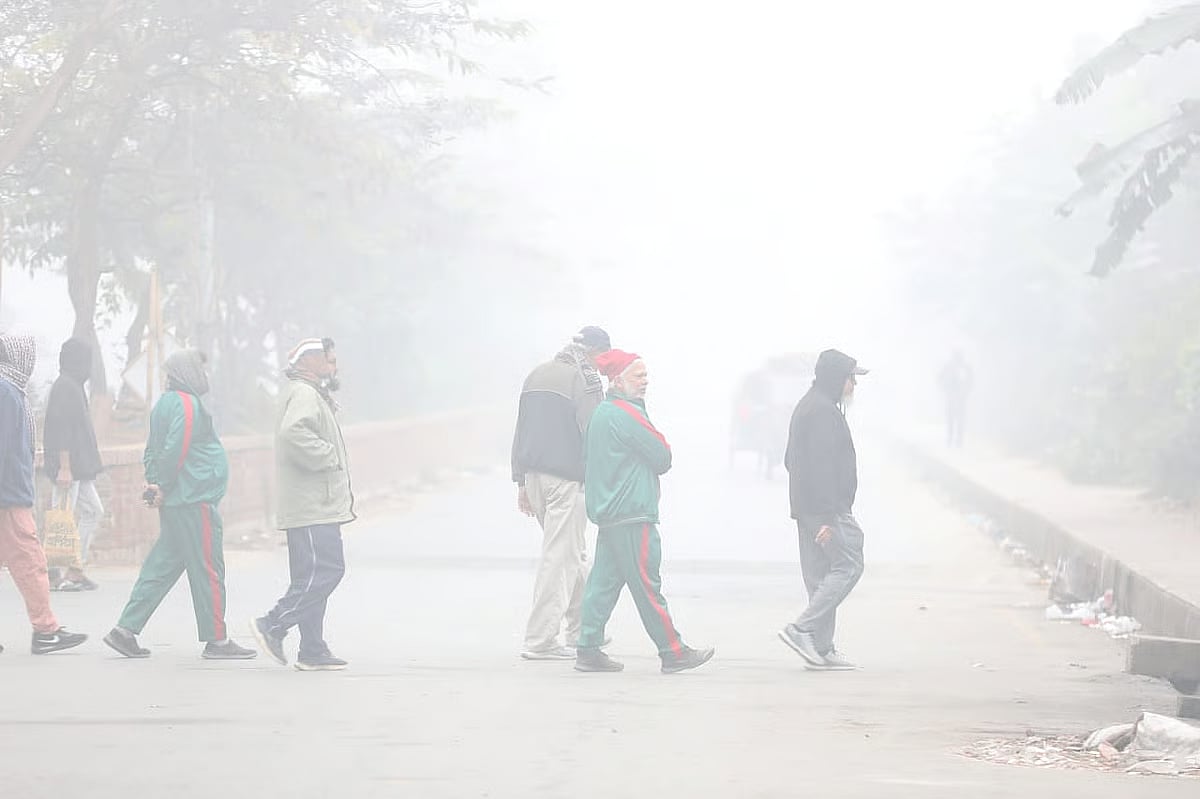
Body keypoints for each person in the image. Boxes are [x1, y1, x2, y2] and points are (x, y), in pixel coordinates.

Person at [103, 350, 256, 660]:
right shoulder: (187, 405)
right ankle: (218, 640)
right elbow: (175, 448)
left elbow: (152, 449)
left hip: (177, 500)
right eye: (201, 368)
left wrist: (155, 483)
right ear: (188, 372)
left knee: (161, 566)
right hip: (193, 499)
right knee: (208, 568)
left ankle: (125, 630)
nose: (205, 375)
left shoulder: (164, 405)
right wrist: (163, 484)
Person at [573, 349, 714, 674]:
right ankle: (672, 651)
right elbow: (662, 456)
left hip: (609, 513)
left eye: (646, 375)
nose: (645, 381)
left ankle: (588, 647)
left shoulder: (602, 414)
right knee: (647, 586)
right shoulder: (626, 414)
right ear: (618, 380)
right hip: (632, 514)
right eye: (638, 375)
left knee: (603, 583)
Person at [251, 337, 353, 671]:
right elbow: (293, 433)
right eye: (329, 359)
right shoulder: (305, 394)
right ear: (309, 361)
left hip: (314, 503)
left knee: (310, 576)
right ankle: (273, 624)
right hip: (312, 505)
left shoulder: (310, 394)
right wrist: (329, 456)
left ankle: (312, 648)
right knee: (327, 570)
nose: (333, 366)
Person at [511, 325, 611, 660]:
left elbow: (520, 429)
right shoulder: (585, 379)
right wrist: (604, 480)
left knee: (572, 554)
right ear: (595, 353)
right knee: (560, 559)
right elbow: (594, 431)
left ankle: (582, 628)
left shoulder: (537, 374)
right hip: (566, 482)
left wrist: (521, 481)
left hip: (536, 478)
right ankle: (540, 640)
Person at [778, 349, 868, 671]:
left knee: (820, 578)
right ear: (836, 378)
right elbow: (822, 468)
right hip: (825, 511)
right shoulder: (822, 413)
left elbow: (790, 460)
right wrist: (828, 517)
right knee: (848, 566)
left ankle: (821, 646)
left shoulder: (813, 406)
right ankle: (802, 629)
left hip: (808, 509)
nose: (853, 386)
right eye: (851, 379)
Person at [0, 334, 88, 655]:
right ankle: (46, 631)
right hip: (8, 497)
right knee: (32, 563)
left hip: (9, 493)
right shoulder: (7, 393)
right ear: (21, 359)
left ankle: (45, 628)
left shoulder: (10, 391)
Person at [42, 337, 104, 591]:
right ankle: (54, 574)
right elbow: (61, 430)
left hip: (81, 467)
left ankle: (76, 569)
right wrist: (64, 467)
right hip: (69, 467)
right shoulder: (64, 387)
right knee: (62, 518)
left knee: (93, 511)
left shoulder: (74, 385)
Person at [939, 350, 973, 449]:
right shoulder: (948, 367)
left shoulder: (966, 368)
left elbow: (971, 382)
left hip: (961, 398)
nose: (957, 359)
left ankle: (958, 441)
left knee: (959, 420)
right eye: (956, 357)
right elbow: (940, 378)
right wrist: (945, 390)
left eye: (959, 357)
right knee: (951, 419)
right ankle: (951, 439)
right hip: (951, 397)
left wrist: (966, 393)